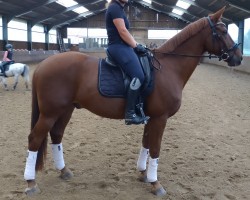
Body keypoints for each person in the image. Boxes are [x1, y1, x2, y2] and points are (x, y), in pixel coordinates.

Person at [105, 0, 149, 125]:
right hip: (118, 47)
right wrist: (135, 46)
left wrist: (137, 45)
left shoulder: (119, 9)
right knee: (139, 75)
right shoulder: (114, 8)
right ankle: (130, 114)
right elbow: (123, 31)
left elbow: (127, 33)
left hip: (124, 47)